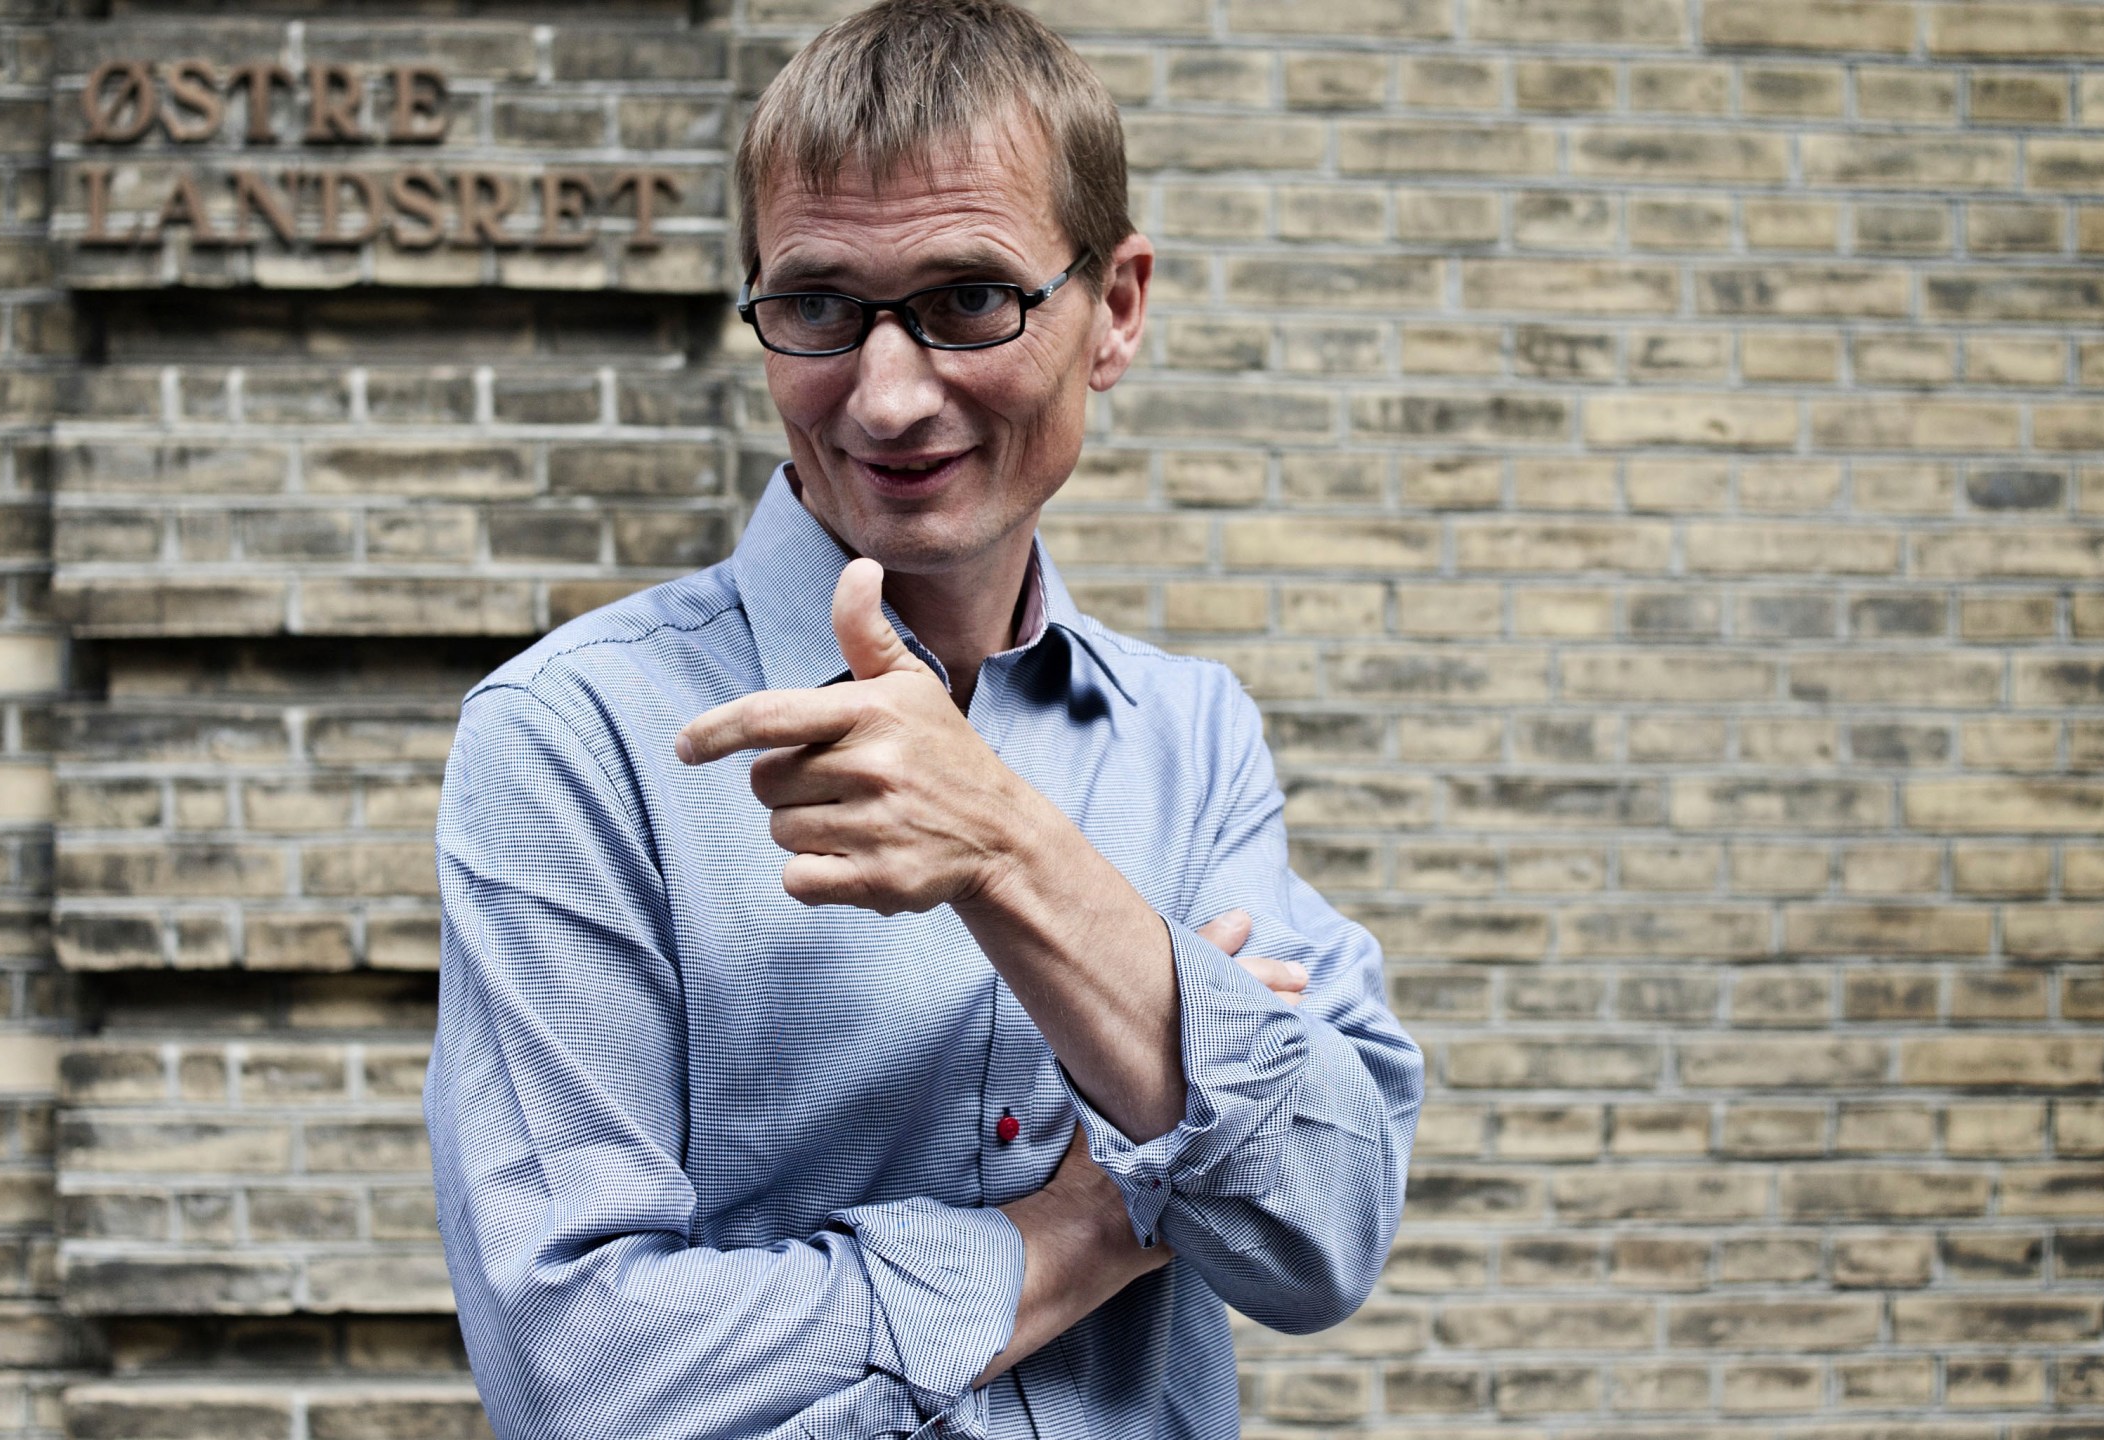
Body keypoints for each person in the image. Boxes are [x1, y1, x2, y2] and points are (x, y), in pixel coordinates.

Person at [424, 2, 1423, 1435]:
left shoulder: (1191, 736)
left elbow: (1323, 1228)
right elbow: (580, 1374)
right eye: (820, 305)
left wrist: (1013, 850)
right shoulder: (578, 736)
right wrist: (1082, 1232)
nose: (887, 399)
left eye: (968, 299)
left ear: (1117, 310)